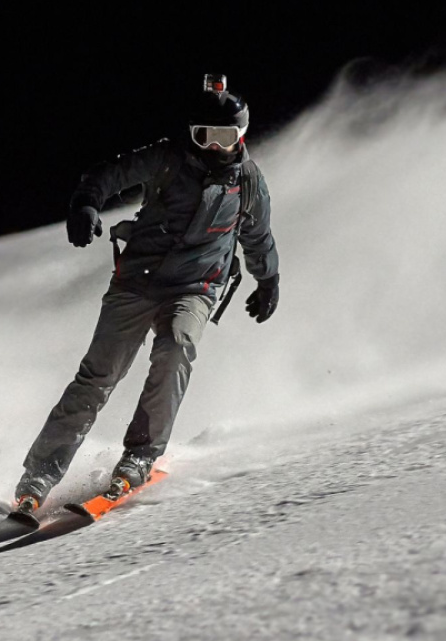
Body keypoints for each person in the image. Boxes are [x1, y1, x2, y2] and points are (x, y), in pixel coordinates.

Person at [14, 74, 280, 513]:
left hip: (195, 287)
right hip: (138, 280)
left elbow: (259, 236)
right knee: (98, 377)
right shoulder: (168, 158)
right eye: (204, 136)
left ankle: (139, 456)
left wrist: (267, 280)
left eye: (225, 137)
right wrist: (85, 203)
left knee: (177, 346)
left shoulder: (248, 183)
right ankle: (39, 475)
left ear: (242, 135)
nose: (214, 148)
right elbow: (107, 174)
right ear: (190, 134)